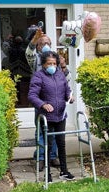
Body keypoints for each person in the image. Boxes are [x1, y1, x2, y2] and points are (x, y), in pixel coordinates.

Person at [28, 50, 75, 183]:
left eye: (54, 63)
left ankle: (64, 172)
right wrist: (43, 105)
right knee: (48, 145)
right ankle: (47, 174)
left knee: (61, 144)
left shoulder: (60, 75)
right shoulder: (38, 76)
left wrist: (69, 97)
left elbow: (67, 90)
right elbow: (32, 96)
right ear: (43, 64)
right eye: (49, 63)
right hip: (46, 117)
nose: (52, 66)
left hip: (60, 115)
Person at [25, 29, 63, 171]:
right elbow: (29, 53)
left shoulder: (55, 61)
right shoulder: (36, 60)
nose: (46, 45)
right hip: (40, 102)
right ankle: (40, 158)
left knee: (53, 130)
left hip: (55, 102)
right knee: (41, 130)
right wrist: (35, 40)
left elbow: (64, 79)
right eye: (43, 43)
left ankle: (53, 157)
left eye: (48, 43)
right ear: (39, 47)